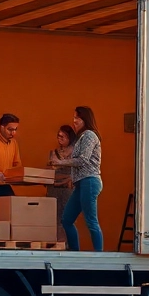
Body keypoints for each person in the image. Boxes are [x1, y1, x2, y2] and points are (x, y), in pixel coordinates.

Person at [51, 107, 102, 251]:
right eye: (74, 117)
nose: (74, 121)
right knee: (67, 220)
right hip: (80, 184)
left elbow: (83, 160)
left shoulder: (89, 136)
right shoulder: (81, 137)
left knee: (91, 221)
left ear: (85, 120)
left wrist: (61, 162)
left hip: (89, 181)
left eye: (77, 118)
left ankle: (100, 256)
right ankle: (75, 253)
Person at [46, 125, 76, 242]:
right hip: (54, 187)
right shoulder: (53, 152)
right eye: (59, 136)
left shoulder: (75, 153)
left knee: (67, 218)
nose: (60, 138)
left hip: (68, 189)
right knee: (53, 218)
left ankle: (68, 244)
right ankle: (57, 244)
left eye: (64, 136)